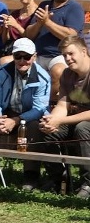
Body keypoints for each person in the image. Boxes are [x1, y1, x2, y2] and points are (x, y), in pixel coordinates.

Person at [0, 38, 49, 186]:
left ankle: (31, 176)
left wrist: (16, 121)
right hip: (6, 113)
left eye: (26, 57)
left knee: (33, 127)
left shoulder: (43, 77)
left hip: (29, 116)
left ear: (34, 57)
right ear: (13, 56)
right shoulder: (1, 73)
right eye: (17, 56)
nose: (22, 60)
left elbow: (39, 108)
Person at [31, 36, 90, 197]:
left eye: (71, 54)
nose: (68, 59)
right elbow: (63, 105)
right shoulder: (67, 74)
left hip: (84, 124)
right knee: (46, 129)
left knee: (83, 128)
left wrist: (61, 120)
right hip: (75, 120)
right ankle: (58, 178)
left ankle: (88, 182)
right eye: (64, 55)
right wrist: (51, 120)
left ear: (84, 51)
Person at [24, 0, 84, 91]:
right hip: (38, 54)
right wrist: (39, 23)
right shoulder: (44, 5)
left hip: (60, 55)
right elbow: (29, 34)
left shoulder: (75, 8)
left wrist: (47, 22)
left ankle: (48, 105)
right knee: (9, 63)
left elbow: (71, 35)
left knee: (57, 71)